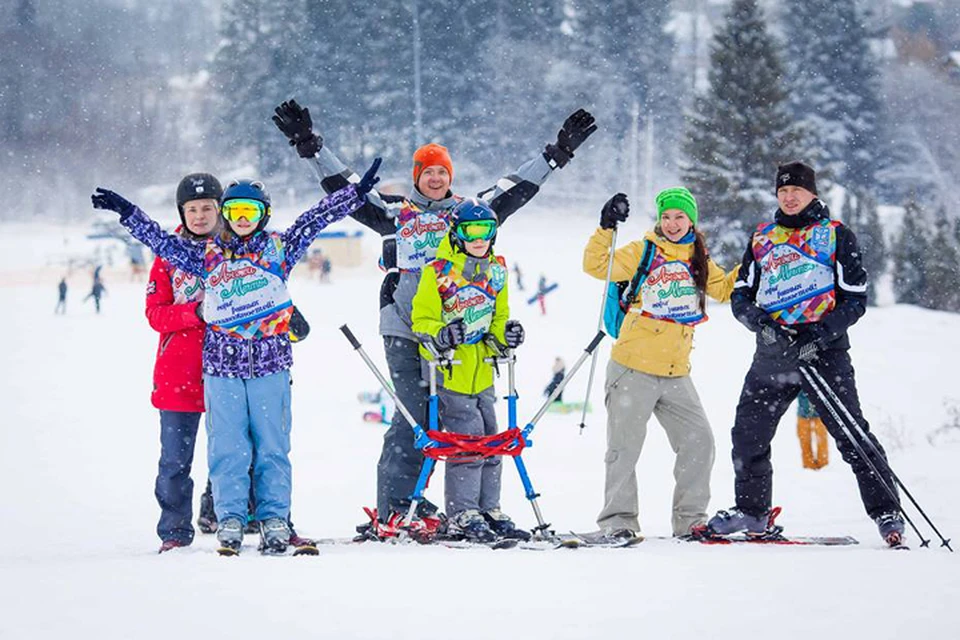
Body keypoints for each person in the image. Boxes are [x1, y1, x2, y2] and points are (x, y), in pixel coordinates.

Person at [272, 99, 597, 537]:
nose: (436, 177)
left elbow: (514, 188)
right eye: (428, 171)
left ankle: (467, 507)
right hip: (406, 328)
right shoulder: (394, 212)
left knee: (467, 420)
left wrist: (557, 153)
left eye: (442, 170)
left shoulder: (469, 214)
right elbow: (345, 188)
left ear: (451, 176)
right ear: (417, 177)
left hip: (462, 335)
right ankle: (394, 503)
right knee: (413, 417)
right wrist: (309, 146)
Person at [91, 160, 380, 553]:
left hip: (270, 365)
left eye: (251, 211)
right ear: (227, 215)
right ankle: (228, 517)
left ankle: (274, 517)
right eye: (236, 211)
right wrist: (129, 213)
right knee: (228, 448)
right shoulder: (208, 255)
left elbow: (314, 220)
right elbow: (161, 242)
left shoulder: (280, 247)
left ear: (264, 214)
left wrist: (353, 195)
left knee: (272, 447)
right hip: (221, 368)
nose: (243, 219)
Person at [705, 161, 905, 546]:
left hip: (823, 353)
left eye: (796, 190)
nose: (789, 196)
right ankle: (753, 511)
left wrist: (820, 334)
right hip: (773, 354)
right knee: (748, 434)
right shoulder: (762, 237)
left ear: (812, 193)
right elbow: (741, 295)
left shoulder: (835, 235)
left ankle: (886, 512)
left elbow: (855, 301)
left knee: (851, 434)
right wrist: (761, 325)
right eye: (782, 191)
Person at [582, 188, 736, 539]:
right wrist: (605, 227)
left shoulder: (698, 257)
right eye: (666, 216)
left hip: (675, 372)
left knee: (699, 441)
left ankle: (690, 521)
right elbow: (595, 266)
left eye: (680, 216)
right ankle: (618, 522)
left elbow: (724, 289)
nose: (672, 223)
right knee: (624, 450)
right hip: (632, 367)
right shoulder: (644, 249)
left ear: (692, 220)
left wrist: (755, 258)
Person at [410, 199, 528, 542]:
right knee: (469, 437)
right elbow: (423, 319)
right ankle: (463, 511)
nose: (479, 238)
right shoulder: (439, 272)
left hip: (483, 371)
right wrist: (442, 334)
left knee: (492, 435)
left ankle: (488, 507)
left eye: (485, 231)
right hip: (451, 370)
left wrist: (506, 337)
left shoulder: (496, 272)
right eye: (470, 231)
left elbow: (499, 318)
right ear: (457, 234)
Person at [147, 173, 222, 552]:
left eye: (207, 207)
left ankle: (221, 512)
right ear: (182, 212)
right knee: (174, 462)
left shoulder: (236, 248)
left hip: (229, 368)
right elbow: (155, 314)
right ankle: (174, 531)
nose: (199, 215)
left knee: (233, 452)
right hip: (178, 373)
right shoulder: (167, 253)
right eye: (192, 209)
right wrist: (195, 312)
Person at [797, 390, 829, 469]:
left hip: (819, 414)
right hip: (803, 414)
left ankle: (823, 463)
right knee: (804, 439)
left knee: (821, 439)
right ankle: (808, 464)